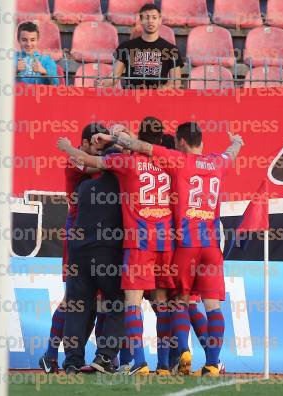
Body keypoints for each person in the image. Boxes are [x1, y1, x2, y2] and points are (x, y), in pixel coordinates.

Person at [91, 122, 244, 377]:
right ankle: (212, 364)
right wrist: (238, 141)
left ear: (181, 142)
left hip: (184, 242)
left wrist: (111, 137)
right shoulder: (218, 162)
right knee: (212, 306)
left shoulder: (178, 159)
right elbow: (232, 153)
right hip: (212, 244)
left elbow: (139, 147)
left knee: (179, 302)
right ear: (202, 141)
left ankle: (178, 350)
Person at [57, 122, 176, 376]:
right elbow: (133, 150)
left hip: (79, 248)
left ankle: (71, 361)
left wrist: (67, 147)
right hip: (111, 250)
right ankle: (106, 357)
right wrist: (119, 139)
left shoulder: (86, 179)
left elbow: (85, 161)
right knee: (119, 303)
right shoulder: (127, 173)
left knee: (78, 305)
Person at [38, 124, 108, 373]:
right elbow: (95, 165)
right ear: (86, 143)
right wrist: (67, 148)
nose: (102, 150)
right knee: (74, 300)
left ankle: (102, 359)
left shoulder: (92, 157)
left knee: (98, 299)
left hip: (98, 237)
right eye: (99, 144)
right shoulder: (75, 161)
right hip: (77, 233)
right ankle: (50, 354)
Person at [101, 3, 183, 89]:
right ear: (140, 21)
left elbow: (176, 83)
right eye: (146, 18)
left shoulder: (171, 49)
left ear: (160, 20)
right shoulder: (126, 47)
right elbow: (114, 77)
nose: (150, 21)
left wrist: (160, 91)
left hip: (158, 98)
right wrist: (101, 83)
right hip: (132, 96)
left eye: (154, 18)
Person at [15, 21, 60, 86]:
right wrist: (15, 71)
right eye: (24, 40)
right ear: (18, 40)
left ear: (37, 40)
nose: (28, 44)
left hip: (40, 95)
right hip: (16, 95)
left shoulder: (47, 60)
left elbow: (56, 85)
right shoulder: (11, 59)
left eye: (32, 40)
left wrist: (44, 72)